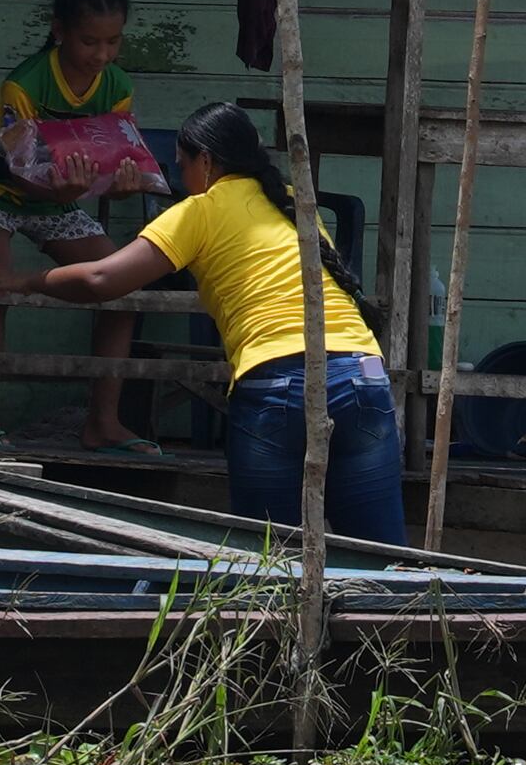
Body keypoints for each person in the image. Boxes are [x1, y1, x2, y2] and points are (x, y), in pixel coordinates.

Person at [31, 99, 405, 545]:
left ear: (205, 161)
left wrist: (27, 280)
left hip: (277, 384)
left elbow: (101, 278)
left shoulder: (200, 211)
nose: (181, 181)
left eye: (181, 167)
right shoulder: (291, 202)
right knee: (383, 560)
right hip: (365, 379)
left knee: (270, 562)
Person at [0, 0, 162, 453]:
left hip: (57, 201)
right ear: (59, 30)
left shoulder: (118, 86)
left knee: (120, 286)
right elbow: (21, 172)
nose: (102, 55)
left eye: (113, 41)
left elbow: (112, 163)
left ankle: (103, 422)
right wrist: (67, 188)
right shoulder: (23, 85)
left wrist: (124, 188)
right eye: (90, 41)